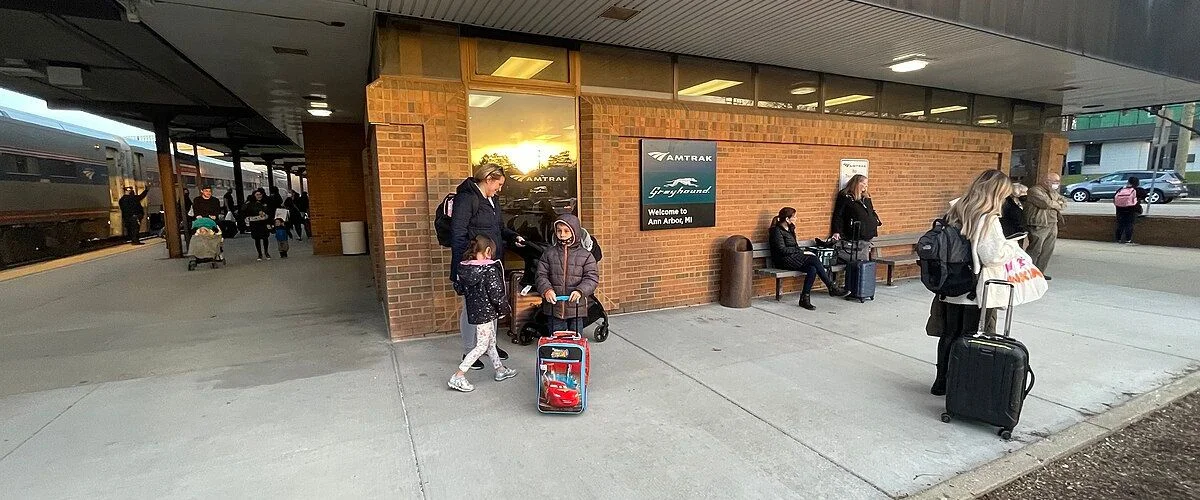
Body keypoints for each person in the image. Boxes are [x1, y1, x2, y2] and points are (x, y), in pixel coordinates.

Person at [931, 169, 1018, 396]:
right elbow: (991, 255)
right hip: (976, 287)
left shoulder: (956, 209)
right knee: (970, 337)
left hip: (952, 283)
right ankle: (960, 385)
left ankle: (941, 381)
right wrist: (1011, 247)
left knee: (949, 333)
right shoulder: (987, 217)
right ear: (996, 192)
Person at [450, 163, 526, 369]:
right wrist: (460, 268)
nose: (499, 189)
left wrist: (513, 236)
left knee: (492, 305)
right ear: (488, 179)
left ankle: (490, 346)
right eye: (498, 184)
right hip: (473, 265)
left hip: (493, 263)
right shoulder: (467, 199)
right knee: (471, 307)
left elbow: (499, 228)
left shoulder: (493, 200)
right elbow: (457, 234)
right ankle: (469, 350)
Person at [448, 235, 518, 393]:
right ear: (487, 251)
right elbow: (497, 293)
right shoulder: (489, 269)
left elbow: (459, 288)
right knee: (481, 346)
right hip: (487, 312)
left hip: (475, 312)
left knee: (490, 342)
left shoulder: (464, 268)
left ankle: (500, 369)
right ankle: (458, 375)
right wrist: (504, 310)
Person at [769, 207, 850, 310]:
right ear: (787, 219)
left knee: (812, 269)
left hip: (793, 258)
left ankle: (804, 298)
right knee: (813, 259)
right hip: (783, 260)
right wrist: (800, 252)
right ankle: (831, 286)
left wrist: (801, 251)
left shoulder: (790, 229)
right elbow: (781, 250)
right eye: (794, 217)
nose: (796, 219)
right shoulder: (776, 231)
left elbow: (795, 246)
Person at [535, 213, 599, 333]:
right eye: (559, 230)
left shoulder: (586, 256)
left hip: (576, 307)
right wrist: (546, 290)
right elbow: (541, 275)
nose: (562, 234)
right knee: (557, 338)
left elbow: (591, 278)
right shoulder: (549, 253)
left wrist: (580, 291)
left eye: (566, 231)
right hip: (554, 307)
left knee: (575, 338)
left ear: (575, 232)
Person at [830, 174, 882, 263]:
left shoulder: (866, 197)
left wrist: (875, 220)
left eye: (866, 183)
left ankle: (861, 269)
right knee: (857, 258)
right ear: (857, 183)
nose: (866, 186)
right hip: (854, 232)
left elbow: (871, 210)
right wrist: (836, 231)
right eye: (864, 183)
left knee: (863, 258)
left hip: (867, 232)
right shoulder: (846, 196)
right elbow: (838, 214)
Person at [1024, 172, 1066, 280]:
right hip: (1039, 223)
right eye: (1055, 181)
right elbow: (1046, 203)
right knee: (1035, 249)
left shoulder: (1052, 192)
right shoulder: (1034, 191)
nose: (1057, 184)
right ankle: (1027, 272)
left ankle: (1040, 273)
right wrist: (1057, 203)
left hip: (1052, 222)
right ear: (1046, 181)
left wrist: (1056, 203)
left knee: (1047, 249)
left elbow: (1064, 202)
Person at [1114, 176, 1147, 244]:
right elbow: (1144, 195)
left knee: (1120, 224)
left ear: (1128, 182)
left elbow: (1115, 198)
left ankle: (1118, 239)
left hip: (1120, 209)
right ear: (1137, 183)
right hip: (1132, 210)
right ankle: (1128, 240)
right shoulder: (1138, 190)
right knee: (1129, 224)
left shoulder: (1121, 189)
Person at [242, 188, 272, 260]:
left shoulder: (265, 202)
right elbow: (244, 210)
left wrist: (267, 217)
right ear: (254, 195)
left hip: (264, 222)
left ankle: (266, 252)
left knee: (265, 238)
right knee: (257, 238)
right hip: (255, 223)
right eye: (257, 195)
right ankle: (259, 254)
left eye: (260, 194)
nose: (259, 196)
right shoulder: (250, 203)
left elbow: (270, 211)